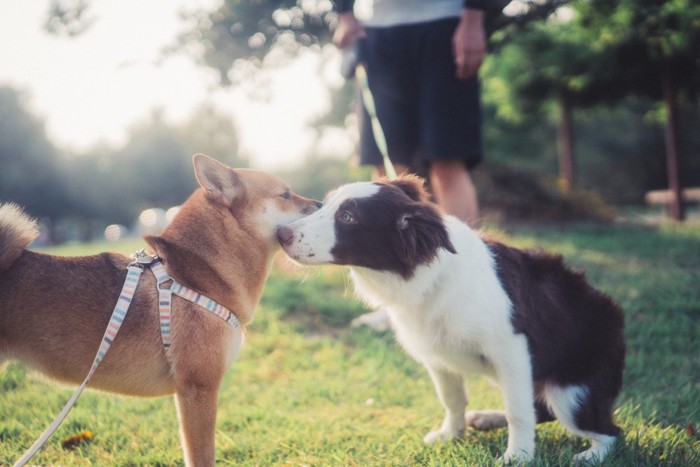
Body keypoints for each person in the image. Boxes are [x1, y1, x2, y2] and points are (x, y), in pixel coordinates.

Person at [333, 0, 487, 226]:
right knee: (388, 167)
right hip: (377, 31)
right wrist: (345, 15)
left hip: (447, 27)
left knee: (447, 158)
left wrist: (473, 19)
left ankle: (468, 258)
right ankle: (394, 259)